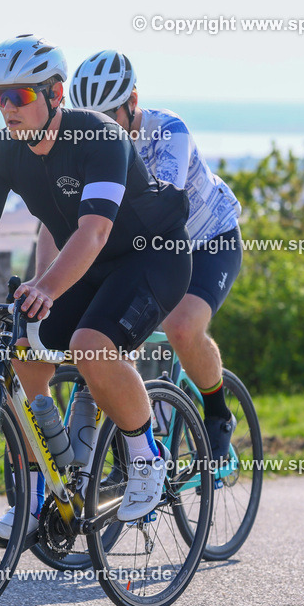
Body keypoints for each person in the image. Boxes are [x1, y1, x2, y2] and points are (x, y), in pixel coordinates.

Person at [0, 35, 192, 543]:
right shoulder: (0, 154)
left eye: (22, 96)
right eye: (0, 97)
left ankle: (148, 458)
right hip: (91, 267)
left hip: (152, 257)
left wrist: (46, 287)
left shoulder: (99, 137)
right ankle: (43, 496)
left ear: (56, 93)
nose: (8, 108)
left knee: (90, 346)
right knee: (23, 350)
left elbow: (94, 231)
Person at [71, 49, 243, 462]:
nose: (100, 131)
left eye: (108, 119)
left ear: (132, 102)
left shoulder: (169, 131)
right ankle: (129, 454)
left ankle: (218, 413)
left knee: (181, 327)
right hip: (145, 250)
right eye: (91, 122)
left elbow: (160, 206)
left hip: (207, 241)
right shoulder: (86, 143)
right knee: (107, 344)